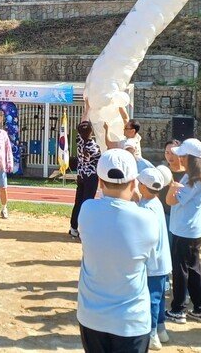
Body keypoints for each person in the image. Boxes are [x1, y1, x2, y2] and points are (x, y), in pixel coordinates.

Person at [77, 148, 158, 352]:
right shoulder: (148, 219)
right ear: (134, 183)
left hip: (91, 317)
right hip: (131, 321)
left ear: (101, 182)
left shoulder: (86, 210)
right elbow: (150, 261)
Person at [165, 138, 201, 324]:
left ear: (191, 158)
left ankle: (178, 309)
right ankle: (200, 308)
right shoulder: (194, 176)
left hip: (184, 231)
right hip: (191, 229)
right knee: (193, 269)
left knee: (181, 270)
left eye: (183, 156)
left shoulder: (193, 180)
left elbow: (172, 201)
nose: (180, 158)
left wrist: (172, 189)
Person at [138, 166, 173, 350]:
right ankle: (161, 329)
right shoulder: (156, 203)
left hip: (152, 263)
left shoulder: (145, 208)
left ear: (144, 187)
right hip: (162, 262)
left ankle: (152, 334)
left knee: (152, 299)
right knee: (159, 298)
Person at [69, 111, 102, 239]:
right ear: (91, 132)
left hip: (81, 176)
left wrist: (87, 108)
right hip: (91, 177)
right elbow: (100, 158)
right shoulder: (92, 146)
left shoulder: (79, 141)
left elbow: (82, 125)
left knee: (78, 202)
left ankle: (73, 227)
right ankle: (84, 229)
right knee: (87, 203)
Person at [0, 111, 15, 219]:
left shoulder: (3, 134)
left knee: (3, 188)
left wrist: (10, 162)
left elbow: (8, 149)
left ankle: (4, 208)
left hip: (1, 165)